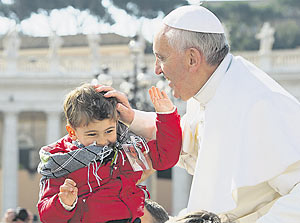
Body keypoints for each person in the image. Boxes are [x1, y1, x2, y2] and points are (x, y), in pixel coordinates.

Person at [96, 5, 300, 223]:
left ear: (192, 59)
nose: (157, 69)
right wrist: (130, 115)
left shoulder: (262, 102)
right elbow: (182, 139)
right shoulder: (209, 90)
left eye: (161, 57)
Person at [37, 84, 182, 223]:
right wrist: (63, 203)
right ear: (72, 132)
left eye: (109, 131)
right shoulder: (59, 162)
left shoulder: (126, 146)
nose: (102, 141)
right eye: (92, 134)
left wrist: (167, 116)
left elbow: (165, 158)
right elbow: (47, 217)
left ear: (116, 123)